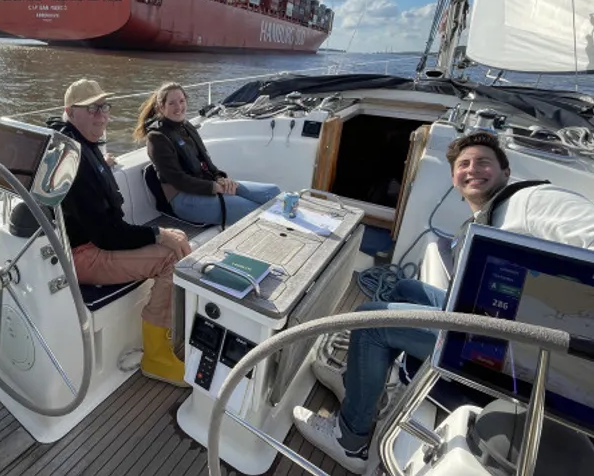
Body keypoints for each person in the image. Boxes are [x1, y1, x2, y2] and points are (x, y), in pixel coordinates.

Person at [292, 131, 594, 474]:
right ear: (453, 179)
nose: (472, 169)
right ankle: (360, 386)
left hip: (514, 348)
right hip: (483, 318)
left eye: (484, 162)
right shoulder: (488, 217)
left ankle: (351, 439)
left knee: (369, 321)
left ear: (507, 173)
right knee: (406, 287)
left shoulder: (532, 200)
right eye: (463, 165)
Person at [47, 78, 192, 387]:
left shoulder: (73, 143)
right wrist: (159, 234)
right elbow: (108, 236)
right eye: (92, 109)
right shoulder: (75, 162)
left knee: (178, 244)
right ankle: (156, 356)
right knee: (174, 256)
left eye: (104, 107)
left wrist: (102, 159)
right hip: (84, 254)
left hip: (83, 243)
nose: (103, 116)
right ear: (70, 112)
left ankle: (171, 331)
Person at [134, 82, 281, 226]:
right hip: (183, 199)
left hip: (206, 184)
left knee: (273, 192)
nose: (178, 107)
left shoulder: (186, 126)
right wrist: (213, 187)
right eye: (172, 103)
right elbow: (177, 179)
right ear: (161, 106)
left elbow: (205, 161)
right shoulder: (157, 138)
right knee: (254, 210)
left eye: (181, 101)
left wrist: (220, 178)